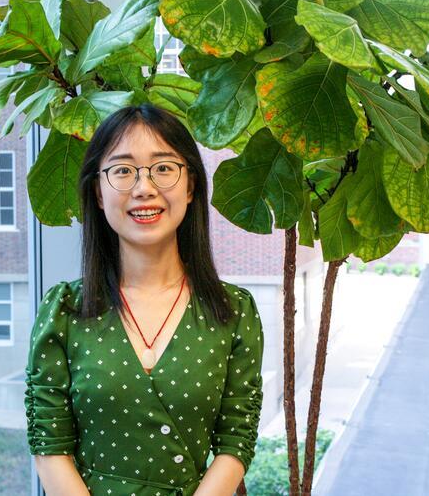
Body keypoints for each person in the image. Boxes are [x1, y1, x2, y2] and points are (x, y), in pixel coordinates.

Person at [24, 103, 265, 495]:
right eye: (122, 170)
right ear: (98, 194)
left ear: (190, 187)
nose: (144, 187)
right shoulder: (64, 310)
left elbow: (236, 438)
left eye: (164, 168)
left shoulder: (233, 311)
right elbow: (48, 442)